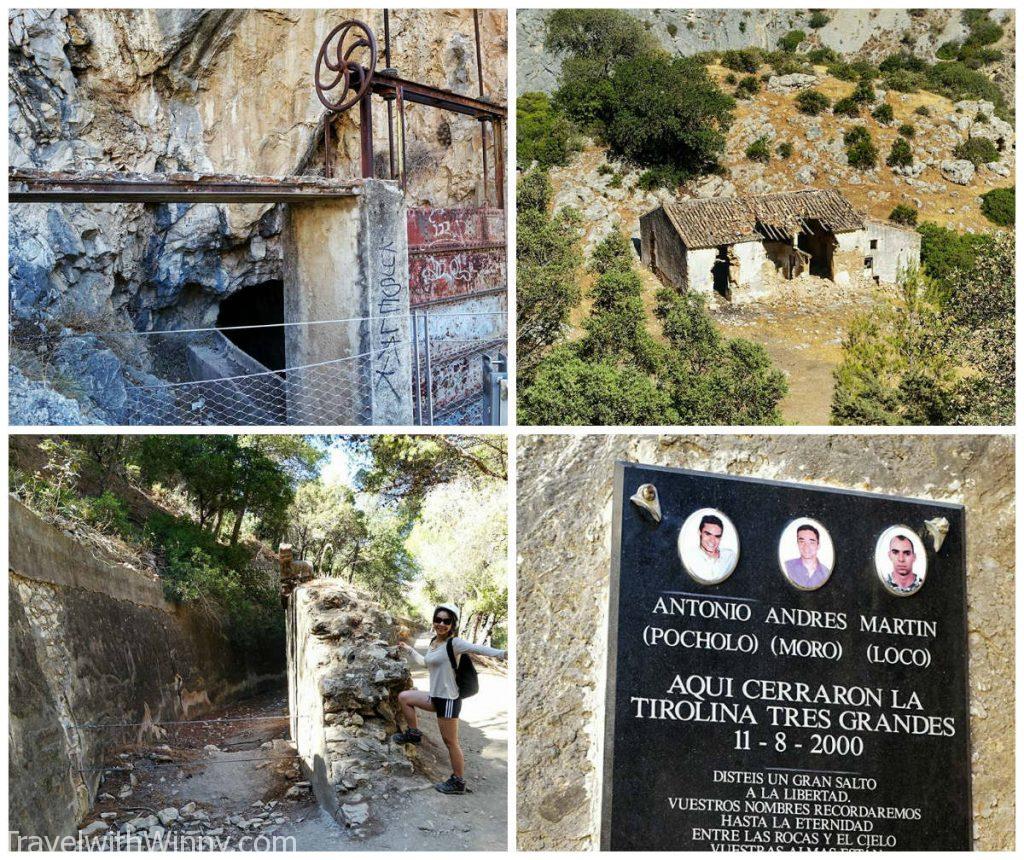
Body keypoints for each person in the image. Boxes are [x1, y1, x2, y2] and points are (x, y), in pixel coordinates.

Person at [391, 603, 507, 795]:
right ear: (434, 621)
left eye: (446, 621)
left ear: (452, 624)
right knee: (404, 697)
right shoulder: (433, 643)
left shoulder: (454, 644)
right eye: (438, 619)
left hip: (448, 701)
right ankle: (413, 733)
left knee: (450, 742)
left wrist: (503, 654)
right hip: (434, 697)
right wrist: (409, 650)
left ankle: (458, 781)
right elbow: (425, 663)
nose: (441, 624)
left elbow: (478, 648)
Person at [684, 514, 736, 584]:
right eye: (708, 534)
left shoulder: (730, 557)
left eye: (717, 536)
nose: (712, 540)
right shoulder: (689, 558)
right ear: (700, 533)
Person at [783, 523, 831, 589]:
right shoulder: (786, 567)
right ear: (797, 544)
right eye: (802, 541)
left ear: (818, 545)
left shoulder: (826, 573)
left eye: (811, 542)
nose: (806, 547)